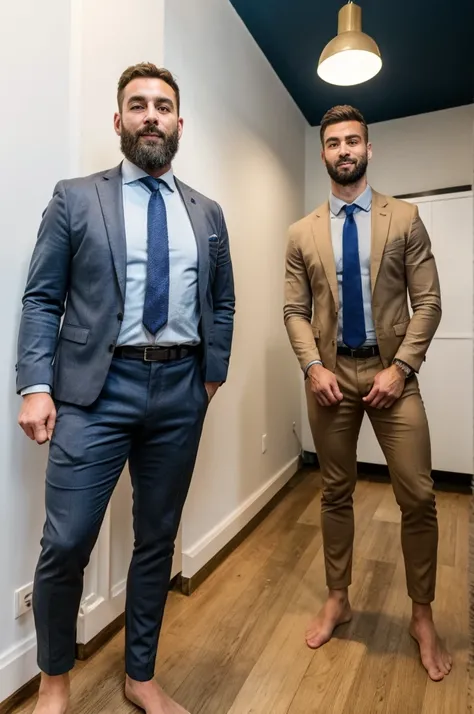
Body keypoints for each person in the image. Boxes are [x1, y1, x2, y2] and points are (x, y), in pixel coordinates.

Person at [16, 63, 235, 714]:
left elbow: (221, 302)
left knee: (157, 539)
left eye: (162, 106)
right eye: (137, 105)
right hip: (93, 392)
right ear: (118, 121)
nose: (150, 116)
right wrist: (36, 383)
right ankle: (55, 683)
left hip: (180, 391)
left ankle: (140, 676)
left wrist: (212, 373)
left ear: (178, 123)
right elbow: (40, 296)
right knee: (66, 543)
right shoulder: (76, 198)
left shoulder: (207, 213)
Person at [283, 105, 451, 681]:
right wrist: (311, 366)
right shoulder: (301, 232)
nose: (343, 150)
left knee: (419, 496)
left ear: (369, 149)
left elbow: (427, 303)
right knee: (334, 492)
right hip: (330, 380)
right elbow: (293, 310)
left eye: (353, 140)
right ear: (324, 152)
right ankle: (339, 596)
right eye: (333, 142)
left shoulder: (404, 219)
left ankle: (422, 615)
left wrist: (401, 368)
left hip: (392, 377)